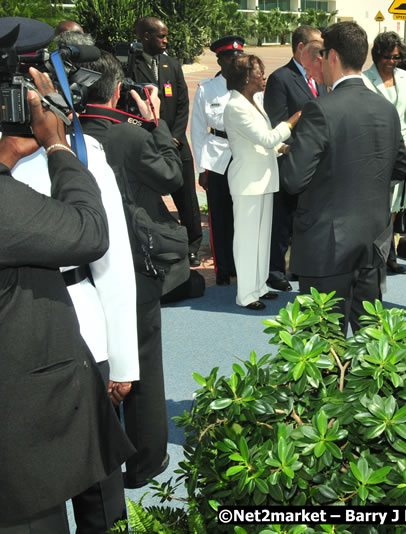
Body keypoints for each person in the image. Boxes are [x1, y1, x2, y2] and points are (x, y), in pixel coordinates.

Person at [0, 20, 133, 530]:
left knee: (98, 495)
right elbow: (91, 232)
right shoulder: (69, 153)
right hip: (35, 360)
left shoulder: (86, 152)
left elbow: (113, 268)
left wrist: (120, 358)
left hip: (79, 331)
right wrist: (56, 145)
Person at [79, 50, 183, 490]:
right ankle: (145, 460)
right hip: (135, 262)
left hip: (78, 266)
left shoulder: (64, 133)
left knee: (93, 365)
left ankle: (94, 463)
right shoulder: (131, 136)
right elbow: (174, 176)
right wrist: (155, 122)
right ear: (119, 91)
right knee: (142, 361)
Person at [283, 21, 406, 335]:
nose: (318, 62)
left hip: (326, 247)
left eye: (322, 54)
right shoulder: (386, 109)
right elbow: (399, 168)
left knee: (321, 348)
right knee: (372, 348)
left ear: (334, 56)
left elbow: (293, 179)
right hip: (373, 243)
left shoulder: (319, 110)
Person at [224, 54, 299, 310]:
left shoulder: (254, 101)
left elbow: (264, 142)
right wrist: (293, 120)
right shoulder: (235, 106)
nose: (264, 77)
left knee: (262, 238)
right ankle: (245, 294)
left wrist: (283, 148)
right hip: (248, 181)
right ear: (246, 77)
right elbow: (265, 138)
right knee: (247, 240)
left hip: (264, 179)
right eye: (260, 72)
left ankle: (259, 285)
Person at [132, 16, 201, 266]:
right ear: (145, 37)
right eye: (161, 36)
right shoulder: (130, 65)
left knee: (187, 198)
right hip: (144, 142)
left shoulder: (171, 64)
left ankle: (193, 244)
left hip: (175, 141)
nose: (166, 40)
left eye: (166, 35)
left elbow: (182, 102)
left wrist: (174, 135)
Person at [264, 25, 322, 293]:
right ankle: (275, 270)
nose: (321, 53)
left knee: (305, 216)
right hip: (290, 160)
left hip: (314, 161)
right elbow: (277, 122)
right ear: (300, 47)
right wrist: (293, 152)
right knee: (283, 219)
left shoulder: (320, 78)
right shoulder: (281, 78)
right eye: (316, 47)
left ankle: (298, 266)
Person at [190, 35, 244, 287]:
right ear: (220, 61)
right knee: (220, 216)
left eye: (238, 56)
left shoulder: (250, 84)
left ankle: (244, 264)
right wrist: (202, 168)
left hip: (245, 157)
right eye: (230, 57)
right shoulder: (207, 89)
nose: (235, 61)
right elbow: (199, 131)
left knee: (244, 215)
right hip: (218, 157)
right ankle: (223, 267)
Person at [364, 31, 406, 276]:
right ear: (376, 56)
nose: (391, 61)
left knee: (395, 204)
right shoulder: (365, 80)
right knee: (376, 205)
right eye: (387, 57)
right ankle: (374, 256)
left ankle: (388, 255)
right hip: (374, 151)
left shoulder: (405, 78)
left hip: (401, 149)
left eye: (396, 57)